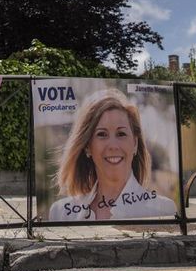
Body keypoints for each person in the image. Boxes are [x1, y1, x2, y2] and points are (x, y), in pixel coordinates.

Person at [48, 89, 176, 221]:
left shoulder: (164, 209)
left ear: (135, 144)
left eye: (121, 134)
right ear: (87, 147)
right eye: (102, 134)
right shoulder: (60, 213)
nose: (113, 145)